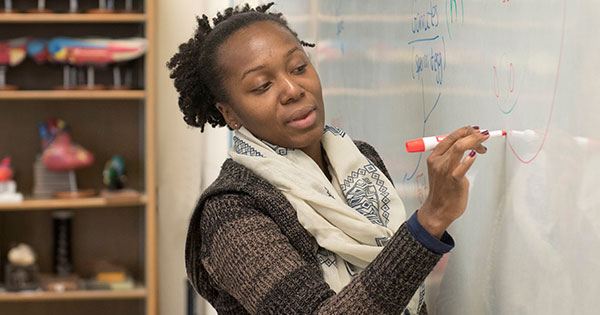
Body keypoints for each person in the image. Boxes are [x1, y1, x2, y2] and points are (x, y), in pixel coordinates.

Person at [168, 3, 489, 314]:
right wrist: (430, 221)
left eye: (299, 67)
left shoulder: (361, 160)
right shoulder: (229, 211)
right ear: (230, 114)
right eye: (262, 85)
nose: (293, 89)